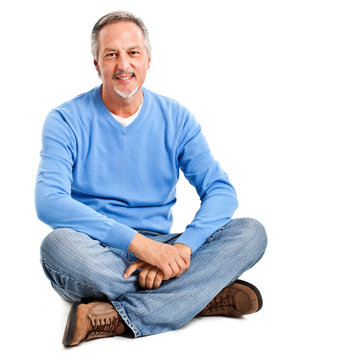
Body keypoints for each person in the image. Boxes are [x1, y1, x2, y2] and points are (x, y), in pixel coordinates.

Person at [35, 10, 267, 347]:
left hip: (165, 247)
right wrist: (141, 247)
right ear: (96, 65)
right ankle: (198, 295)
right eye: (111, 54)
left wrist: (183, 249)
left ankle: (118, 316)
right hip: (98, 251)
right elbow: (49, 201)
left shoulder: (176, 118)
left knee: (251, 232)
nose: (123, 65)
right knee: (56, 247)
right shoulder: (65, 120)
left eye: (133, 53)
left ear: (148, 60)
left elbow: (220, 191)